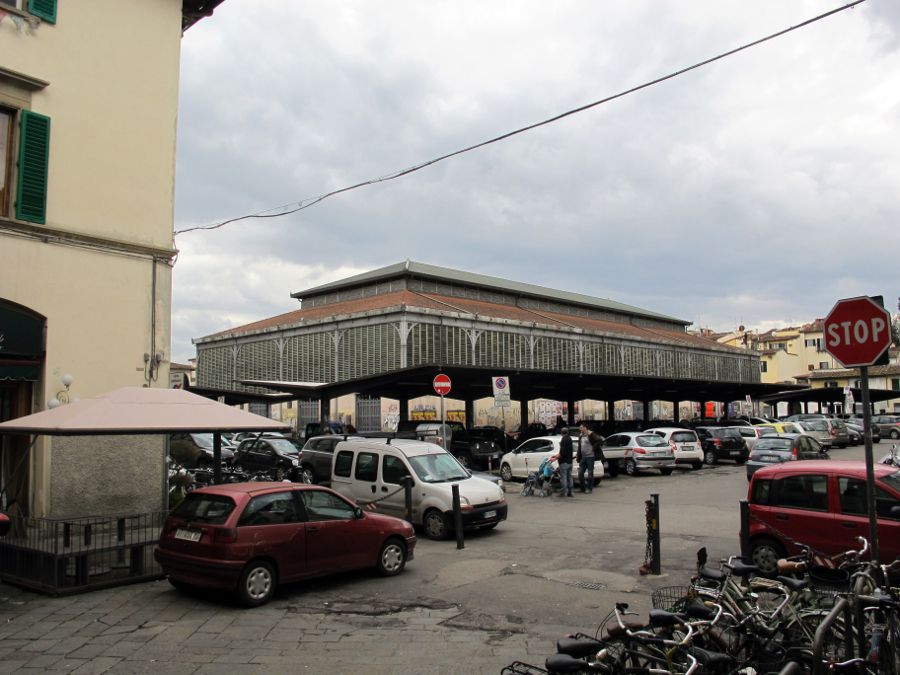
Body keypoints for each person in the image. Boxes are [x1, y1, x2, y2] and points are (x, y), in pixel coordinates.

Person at [576, 424, 595, 493]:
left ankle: (589, 488)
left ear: (585, 428)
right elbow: (579, 446)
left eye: (581, 428)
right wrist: (578, 456)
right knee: (580, 473)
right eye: (580, 428)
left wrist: (593, 448)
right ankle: (583, 488)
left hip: (590, 457)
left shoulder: (590, 434)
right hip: (583, 457)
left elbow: (599, 441)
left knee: (590, 474)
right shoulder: (581, 436)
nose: (580, 429)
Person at [557, 427, 574, 497]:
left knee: (563, 477)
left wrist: (558, 457)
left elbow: (562, 452)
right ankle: (570, 492)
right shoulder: (570, 439)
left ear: (561, 433)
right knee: (569, 477)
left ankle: (563, 492)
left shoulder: (563, 440)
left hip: (564, 461)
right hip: (570, 461)